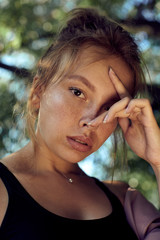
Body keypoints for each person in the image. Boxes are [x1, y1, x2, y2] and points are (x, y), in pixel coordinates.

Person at [0, 7, 160, 240]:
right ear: (38, 92)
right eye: (77, 92)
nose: (91, 121)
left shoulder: (126, 201)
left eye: (109, 107)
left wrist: (157, 159)